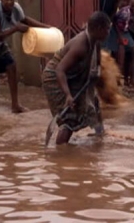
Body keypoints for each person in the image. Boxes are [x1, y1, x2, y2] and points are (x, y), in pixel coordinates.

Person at [42, 11, 111, 145]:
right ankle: (61, 153)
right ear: (98, 29)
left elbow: (97, 63)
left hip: (74, 76)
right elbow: (60, 70)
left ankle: (99, 136)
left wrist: (96, 73)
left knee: (94, 103)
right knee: (69, 116)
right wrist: (68, 95)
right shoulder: (80, 46)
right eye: (107, 29)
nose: (108, 33)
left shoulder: (95, 41)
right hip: (55, 78)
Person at [0, 0, 50, 113]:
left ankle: (15, 105)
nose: (10, 2)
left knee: (11, 66)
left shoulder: (16, 8)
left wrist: (46, 27)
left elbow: (26, 20)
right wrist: (15, 28)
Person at [104, 0, 134, 86]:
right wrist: (119, 37)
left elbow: (133, 25)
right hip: (114, 32)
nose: (125, 3)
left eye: (127, 1)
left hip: (123, 32)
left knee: (133, 51)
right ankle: (114, 79)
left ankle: (130, 79)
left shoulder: (131, 11)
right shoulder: (119, 11)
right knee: (114, 55)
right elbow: (114, 23)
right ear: (119, 1)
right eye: (123, 0)